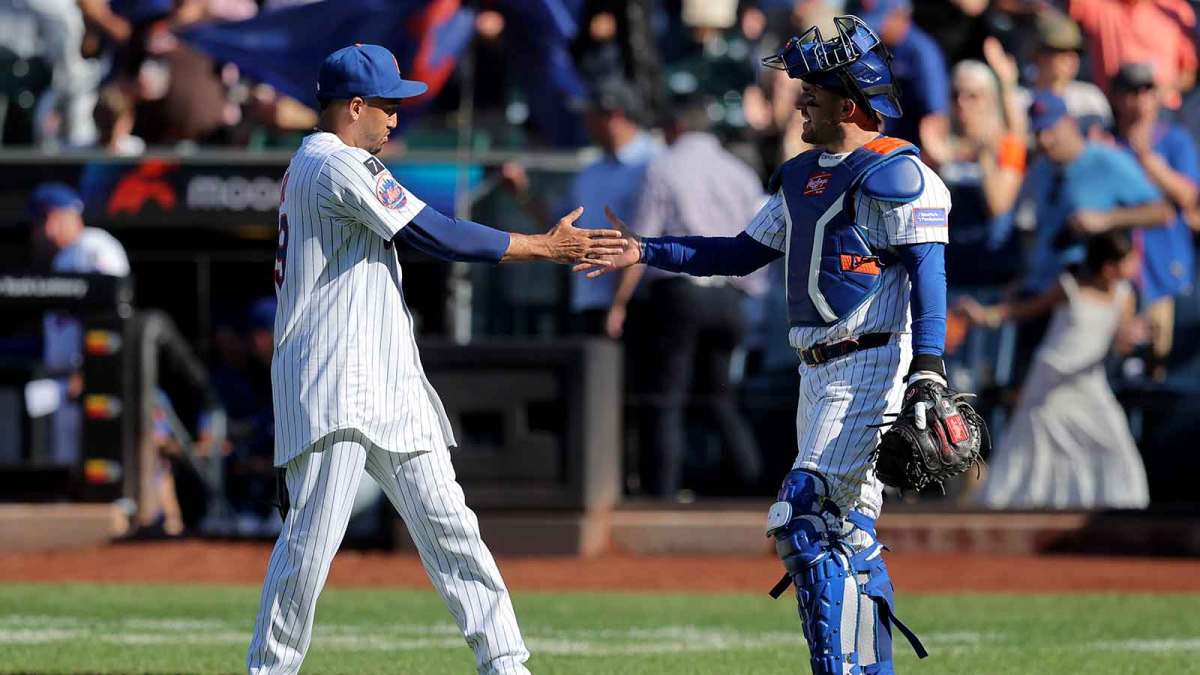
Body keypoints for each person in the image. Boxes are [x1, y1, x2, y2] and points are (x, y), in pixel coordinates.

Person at [245, 43, 628, 674]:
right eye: (389, 106)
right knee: (309, 549)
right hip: (333, 380)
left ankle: (507, 665)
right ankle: (270, 670)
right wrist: (543, 246)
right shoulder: (331, 162)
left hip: (388, 379)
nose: (396, 119)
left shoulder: (334, 161)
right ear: (355, 106)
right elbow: (433, 232)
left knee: (455, 532)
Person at [581, 15, 943, 672]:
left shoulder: (897, 173)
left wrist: (930, 370)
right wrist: (645, 248)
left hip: (869, 360)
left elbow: (929, 269)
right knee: (846, 532)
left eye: (816, 86)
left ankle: (844, 668)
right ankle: (870, 666)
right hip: (819, 372)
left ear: (851, 102)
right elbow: (741, 251)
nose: (801, 95)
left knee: (802, 515)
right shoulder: (803, 174)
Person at [606, 94, 768, 499]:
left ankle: (662, 495)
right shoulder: (740, 171)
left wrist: (619, 303)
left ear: (675, 127)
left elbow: (639, 242)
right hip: (731, 296)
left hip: (679, 294)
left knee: (666, 398)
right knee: (720, 398)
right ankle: (754, 487)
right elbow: (761, 242)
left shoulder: (662, 166)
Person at [958, 232, 1150, 509]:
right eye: (1129, 259)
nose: (1135, 264)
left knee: (1113, 437)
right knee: (1032, 441)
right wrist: (983, 315)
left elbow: (1120, 345)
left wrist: (1131, 338)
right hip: (1048, 380)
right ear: (1110, 266)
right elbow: (1023, 310)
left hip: (1088, 383)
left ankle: (1124, 509)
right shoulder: (1068, 287)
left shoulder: (1125, 296)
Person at [501, 77, 659, 335]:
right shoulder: (591, 171)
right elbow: (558, 226)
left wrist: (620, 304)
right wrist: (522, 194)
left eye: (590, 115)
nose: (585, 123)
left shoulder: (655, 162)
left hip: (644, 306)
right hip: (592, 302)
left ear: (614, 116)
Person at [1109, 62, 1199, 380]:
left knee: (1166, 372)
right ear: (1118, 97)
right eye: (1132, 91)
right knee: (1121, 373)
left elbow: (1189, 196)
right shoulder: (1107, 144)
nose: (1141, 99)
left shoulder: (1174, 139)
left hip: (1167, 273)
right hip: (1119, 277)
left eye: (1147, 90)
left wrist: (1149, 160)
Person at [30, 182, 130, 466]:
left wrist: (92, 371)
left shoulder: (95, 247)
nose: (39, 232)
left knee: (98, 465)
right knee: (66, 467)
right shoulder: (65, 257)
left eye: (41, 222)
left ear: (52, 219)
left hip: (95, 380)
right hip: (68, 384)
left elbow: (113, 315)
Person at [941, 52, 1027, 287]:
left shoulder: (1008, 146)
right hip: (951, 274)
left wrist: (985, 155)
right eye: (955, 95)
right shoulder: (943, 143)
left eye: (973, 96)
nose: (962, 103)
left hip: (992, 279)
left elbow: (998, 205)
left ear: (990, 100)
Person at [847, 0, 952, 167]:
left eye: (881, 23)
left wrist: (922, 167)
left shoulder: (923, 53)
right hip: (876, 146)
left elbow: (936, 119)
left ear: (900, 17)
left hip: (910, 152)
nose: (875, 33)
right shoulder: (874, 48)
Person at [1068, 0, 1197, 110]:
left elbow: (1188, 73)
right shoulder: (1099, 5)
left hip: (1163, 110)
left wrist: (1157, 95)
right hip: (1113, 110)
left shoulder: (1176, 9)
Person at [1013, 10, 1113, 131]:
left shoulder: (1090, 97)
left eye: (1076, 52)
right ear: (1037, 55)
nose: (1070, 58)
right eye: (1061, 51)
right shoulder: (1020, 98)